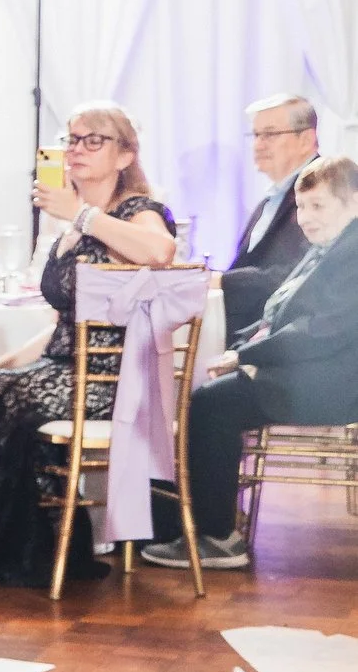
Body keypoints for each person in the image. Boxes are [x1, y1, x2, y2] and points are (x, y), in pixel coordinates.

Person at [0, 102, 178, 587]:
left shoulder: (136, 211)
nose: (77, 150)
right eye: (71, 139)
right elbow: (65, 323)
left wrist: (83, 214)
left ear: (124, 155)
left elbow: (160, 252)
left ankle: (9, 551)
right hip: (62, 366)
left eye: (93, 140)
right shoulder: (71, 227)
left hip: (112, 379)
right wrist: (2, 362)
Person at [145, 154, 358, 572]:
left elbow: (322, 331)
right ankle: (203, 524)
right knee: (209, 394)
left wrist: (244, 356)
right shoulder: (330, 247)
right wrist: (243, 352)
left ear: (353, 203)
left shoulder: (351, 253)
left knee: (211, 404)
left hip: (335, 382)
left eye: (318, 207)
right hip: (315, 371)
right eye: (301, 206)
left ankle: (217, 537)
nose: (305, 218)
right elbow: (276, 317)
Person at [220, 94, 322, 342]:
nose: (259, 144)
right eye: (255, 135)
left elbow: (297, 274)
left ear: (306, 139)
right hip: (247, 333)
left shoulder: (321, 191)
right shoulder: (271, 198)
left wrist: (219, 282)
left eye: (270, 134)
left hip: (288, 340)